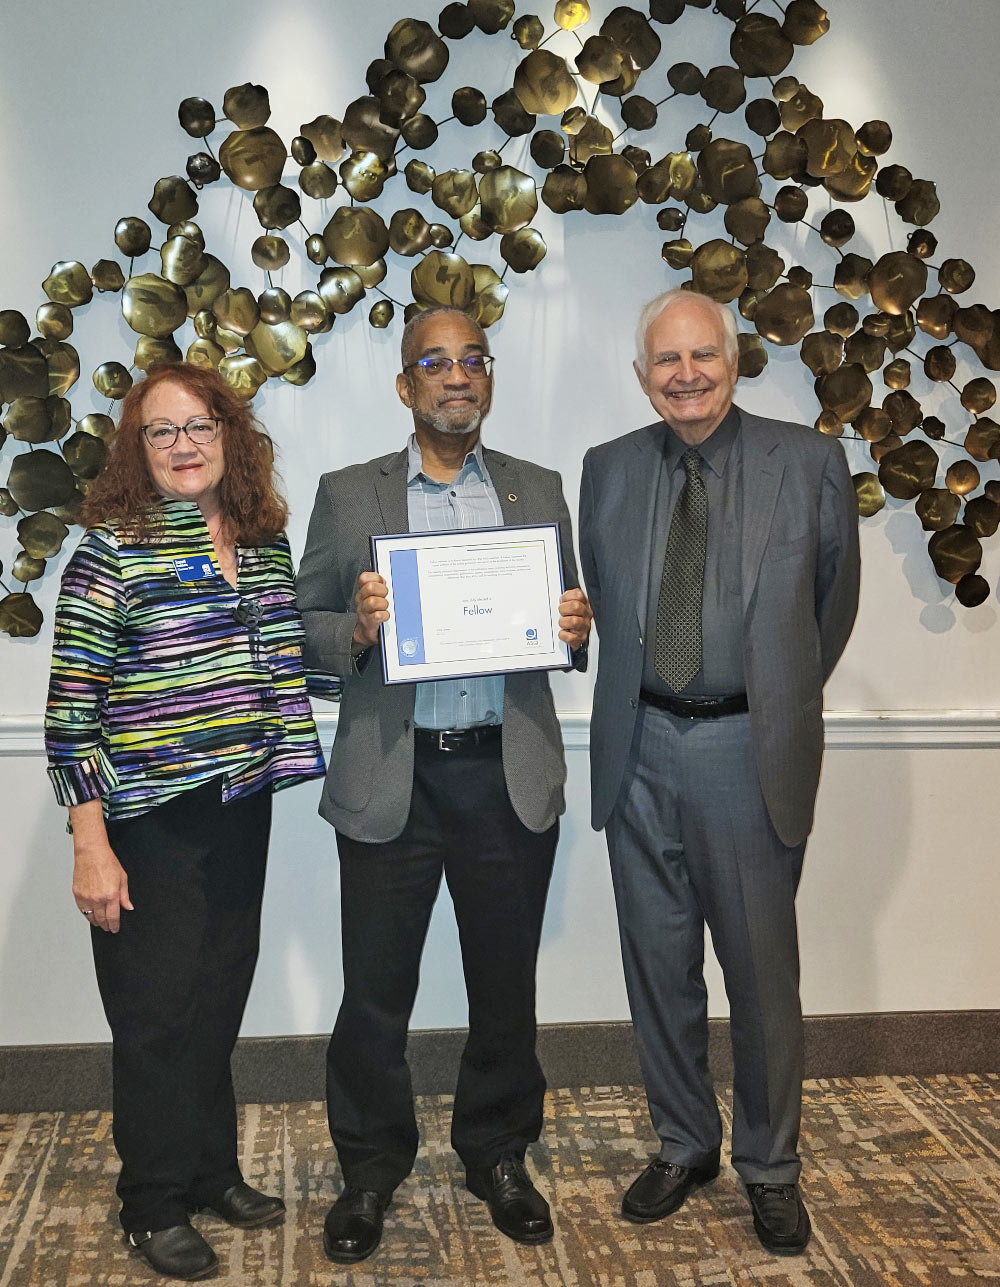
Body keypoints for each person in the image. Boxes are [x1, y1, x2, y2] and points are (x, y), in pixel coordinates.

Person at [296, 305, 592, 1265]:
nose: (457, 376)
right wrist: (359, 630)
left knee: (505, 986)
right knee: (375, 994)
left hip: (504, 775)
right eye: (436, 362)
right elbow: (301, 629)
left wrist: (574, 627)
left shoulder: (539, 488)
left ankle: (497, 1152)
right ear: (406, 385)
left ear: (489, 378)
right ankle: (370, 1168)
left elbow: (563, 622)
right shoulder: (349, 495)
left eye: (473, 360)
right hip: (395, 779)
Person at [579, 289, 860, 1256]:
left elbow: (832, 606)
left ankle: (772, 1167)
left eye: (702, 356)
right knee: (658, 969)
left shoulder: (810, 463)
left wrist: (767, 697)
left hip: (748, 750)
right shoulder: (607, 470)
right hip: (640, 747)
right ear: (642, 374)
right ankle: (684, 1141)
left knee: (760, 975)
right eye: (667, 361)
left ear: (733, 361)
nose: (685, 374)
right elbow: (608, 604)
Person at [44, 362, 327, 1281]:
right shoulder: (110, 548)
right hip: (147, 819)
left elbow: (290, 667)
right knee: (156, 1016)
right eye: (161, 431)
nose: (183, 444)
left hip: (240, 807)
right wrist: (92, 844)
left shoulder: (263, 541)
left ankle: (210, 1171)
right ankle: (152, 1200)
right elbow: (71, 710)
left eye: (199, 425)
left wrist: (382, 625)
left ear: (229, 436)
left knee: (216, 999)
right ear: (138, 448)